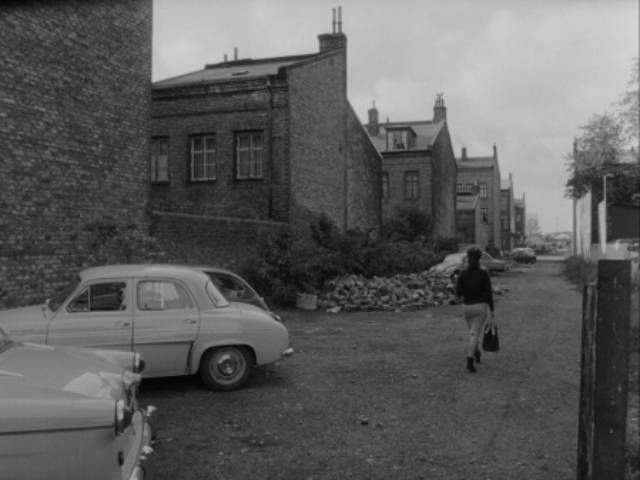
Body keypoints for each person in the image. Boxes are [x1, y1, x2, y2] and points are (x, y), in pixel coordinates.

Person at [456, 246, 495, 373]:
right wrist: (492, 311)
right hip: (480, 308)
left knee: (473, 333)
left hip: (467, 308)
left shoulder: (462, 274)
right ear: (480, 258)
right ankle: (469, 361)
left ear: (468, 257)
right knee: (475, 333)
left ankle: (476, 353)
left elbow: (458, 294)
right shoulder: (484, 274)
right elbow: (489, 294)